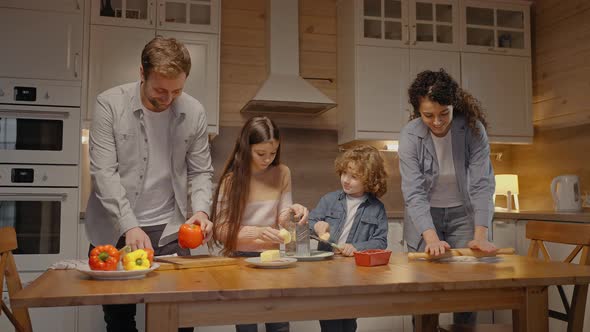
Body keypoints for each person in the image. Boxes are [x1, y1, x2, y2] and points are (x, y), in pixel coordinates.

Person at [85, 36, 214, 332]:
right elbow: (104, 173)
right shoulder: (109, 104)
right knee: (119, 320)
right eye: (160, 90)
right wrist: (129, 225)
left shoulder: (194, 112)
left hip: (170, 229)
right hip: (115, 227)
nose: (168, 99)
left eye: (177, 91)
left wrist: (202, 211)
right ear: (141, 73)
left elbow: (201, 171)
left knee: (179, 320)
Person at [398, 69, 497, 325]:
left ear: (454, 105)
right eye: (428, 115)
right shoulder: (410, 135)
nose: (438, 121)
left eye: (444, 113)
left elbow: (482, 184)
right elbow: (414, 192)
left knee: (466, 291)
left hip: (463, 215)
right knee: (424, 295)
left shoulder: (473, 130)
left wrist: (480, 236)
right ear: (417, 111)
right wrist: (431, 238)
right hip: (424, 216)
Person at [210, 116, 308, 332]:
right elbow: (220, 230)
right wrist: (259, 232)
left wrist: (293, 213)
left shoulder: (282, 172)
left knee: (280, 324)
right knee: (246, 326)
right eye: (261, 153)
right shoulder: (231, 181)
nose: (267, 159)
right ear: (246, 148)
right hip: (240, 261)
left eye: (273, 153)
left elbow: (283, 217)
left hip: (274, 260)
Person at [309, 145, 389, 332]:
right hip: (327, 273)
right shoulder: (329, 199)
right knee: (331, 323)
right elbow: (311, 220)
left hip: (355, 274)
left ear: (369, 179)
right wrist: (317, 225)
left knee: (349, 323)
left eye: (354, 177)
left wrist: (356, 247)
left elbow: (380, 242)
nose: (346, 180)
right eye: (345, 173)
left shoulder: (377, 208)